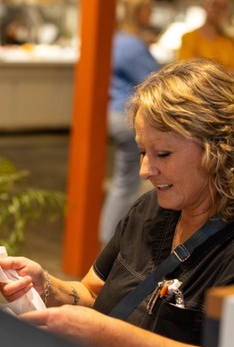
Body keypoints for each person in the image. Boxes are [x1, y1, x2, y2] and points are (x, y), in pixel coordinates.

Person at [0, 59, 234, 347]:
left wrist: (106, 337)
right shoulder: (150, 210)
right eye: (141, 152)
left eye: (163, 154)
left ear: (218, 151)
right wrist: (46, 287)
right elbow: (96, 293)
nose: (145, 170)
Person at [99, 0, 160, 247]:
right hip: (127, 117)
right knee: (126, 184)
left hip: (113, 113)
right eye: (149, 9)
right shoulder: (133, 46)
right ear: (140, 11)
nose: (152, 14)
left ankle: (110, 239)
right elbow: (158, 81)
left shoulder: (119, 39)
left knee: (123, 182)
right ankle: (111, 242)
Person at [177, 0, 234, 82]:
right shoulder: (188, 38)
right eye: (215, 4)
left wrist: (203, 64)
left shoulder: (228, 41)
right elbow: (185, 73)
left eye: (223, 7)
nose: (218, 10)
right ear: (205, 6)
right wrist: (226, 71)